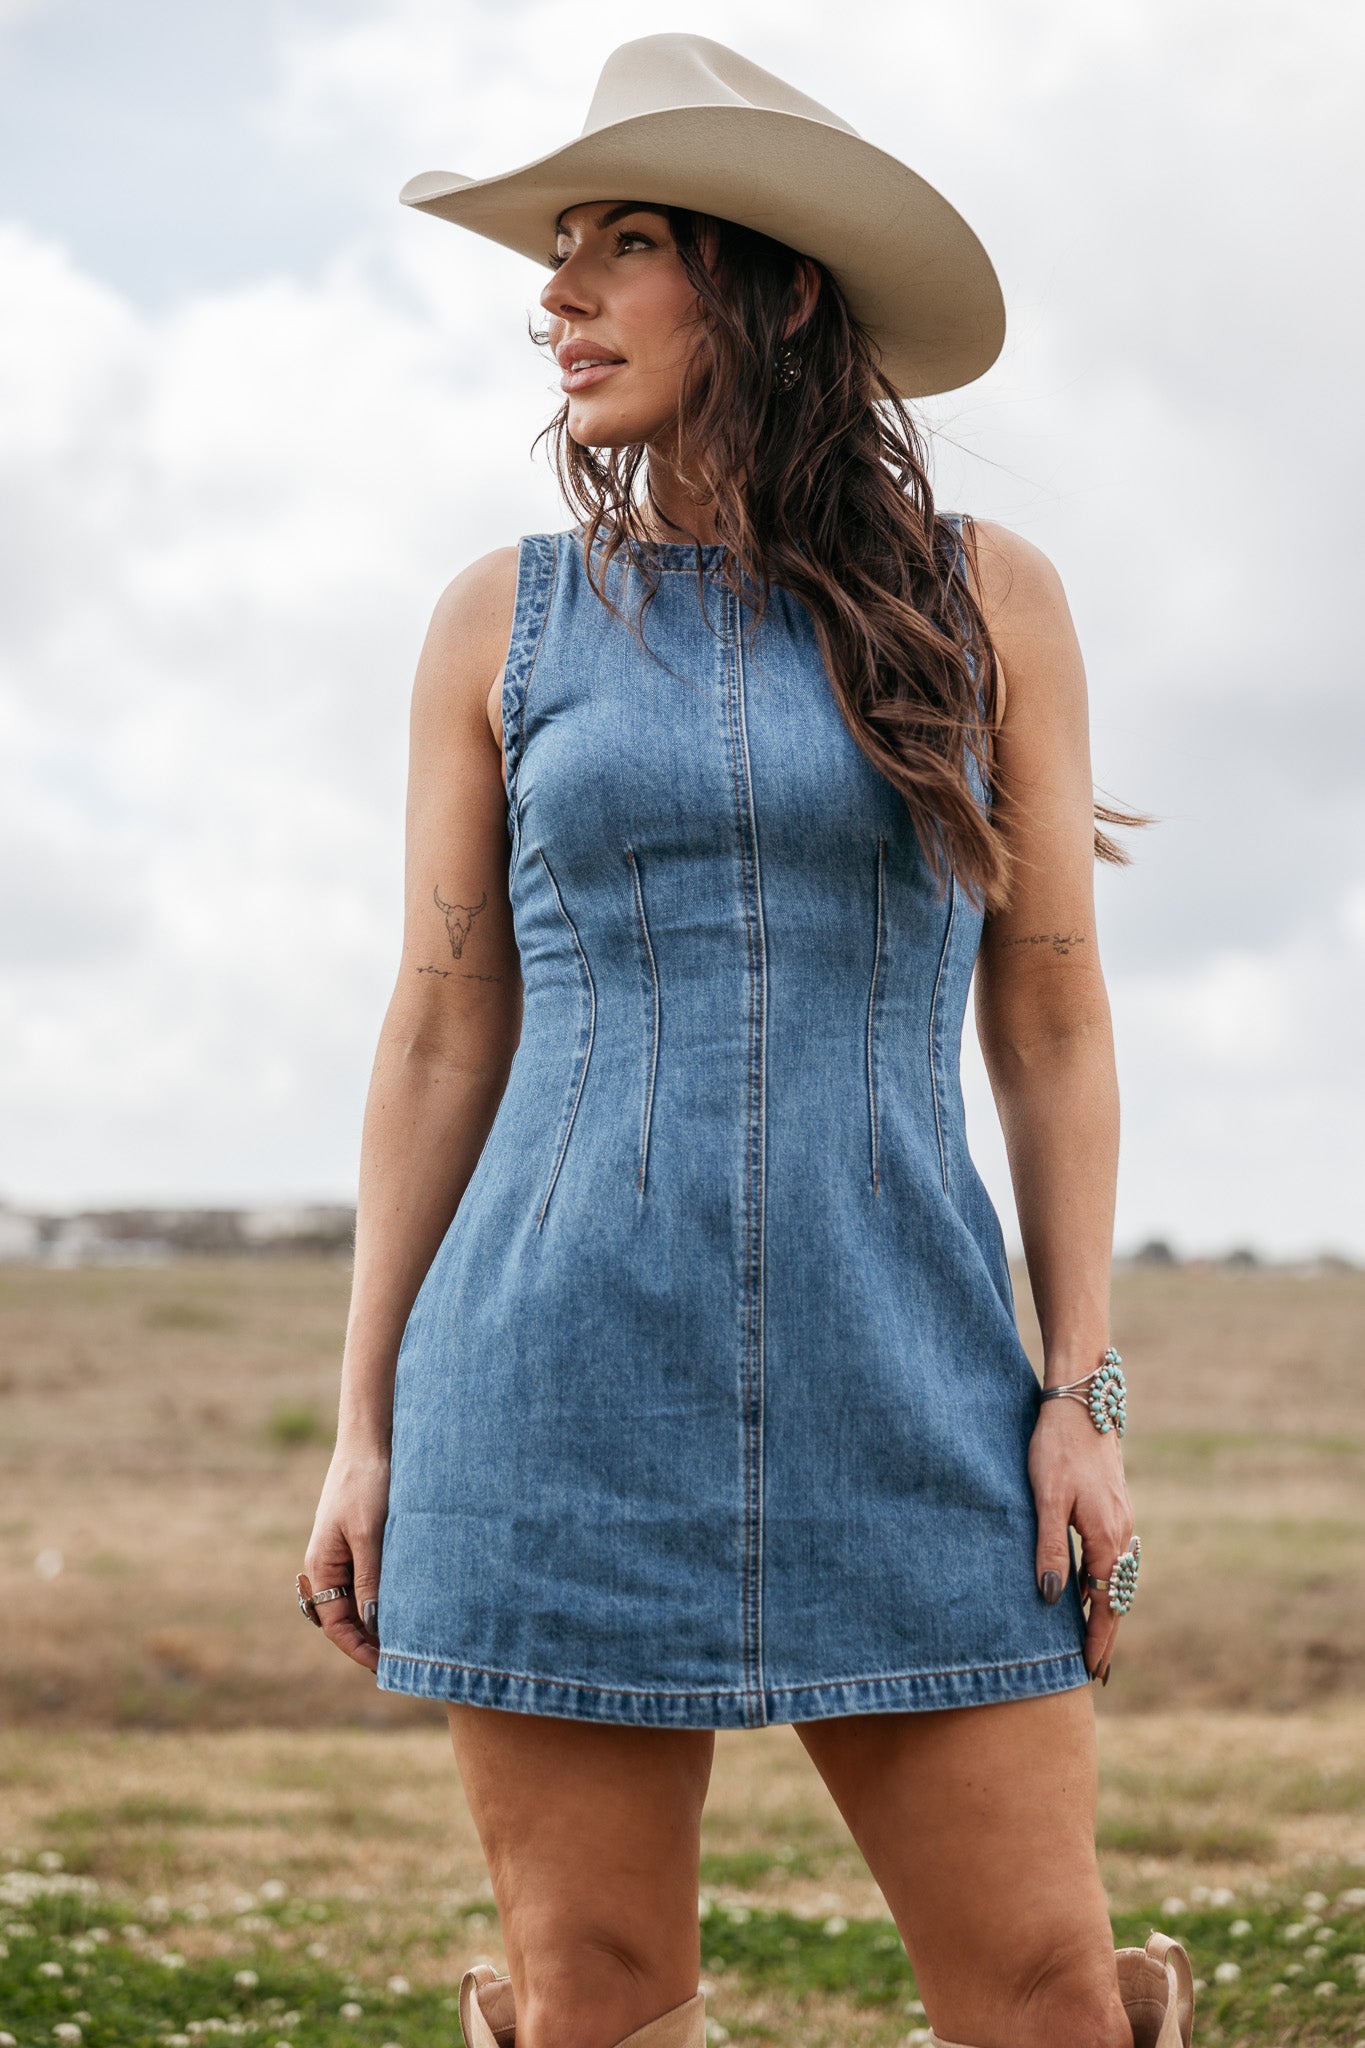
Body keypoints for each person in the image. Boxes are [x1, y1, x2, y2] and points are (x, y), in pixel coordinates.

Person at [297, 33, 1195, 2048]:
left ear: (772, 284)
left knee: (1048, 1993)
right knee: (598, 1999)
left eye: (619, 244)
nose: (556, 293)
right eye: (556, 250)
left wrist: (1083, 1391)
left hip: (914, 1380)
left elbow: (1046, 1020)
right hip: (548, 1379)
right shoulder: (494, 624)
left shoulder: (989, 603)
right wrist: (363, 1426)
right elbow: (443, 1029)